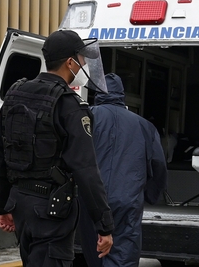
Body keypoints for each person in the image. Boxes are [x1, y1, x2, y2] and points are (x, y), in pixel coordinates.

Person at [0, 29, 114, 266]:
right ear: (70, 62)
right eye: (81, 58)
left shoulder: (15, 94)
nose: (84, 64)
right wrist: (104, 225)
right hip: (52, 210)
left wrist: (2, 206)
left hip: (20, 205)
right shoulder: (69, 105)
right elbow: (85, 169)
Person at [74, 73, 168, 267]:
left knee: (95, 254)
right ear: (121, 95)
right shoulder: (144, 126)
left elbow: (71, 156)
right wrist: (151, 195)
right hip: (127, 201)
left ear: (97, 93)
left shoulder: (85, 118)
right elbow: (159, 166)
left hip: (91, 200)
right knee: (123, 254)